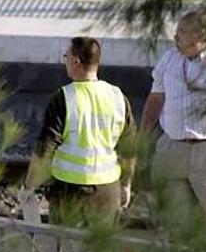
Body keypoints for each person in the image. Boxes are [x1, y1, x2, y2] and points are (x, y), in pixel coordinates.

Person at [139, 10, 206, 240]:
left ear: (201, 35)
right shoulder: (169, 59)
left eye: (182, 31)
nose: (176, 35)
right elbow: (156, 99)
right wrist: (142, 137)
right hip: (173, 149)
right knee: (173, 226)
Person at [20, 37, 136, 227]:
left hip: (69, 193)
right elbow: (130, 148)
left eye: (66, 57)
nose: (65, 61)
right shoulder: (117, 96)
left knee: (67, 251)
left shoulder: (64, 98)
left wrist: (29, 186)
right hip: (108, 191)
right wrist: (126, 184)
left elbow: (44, 150)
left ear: (76, 62)